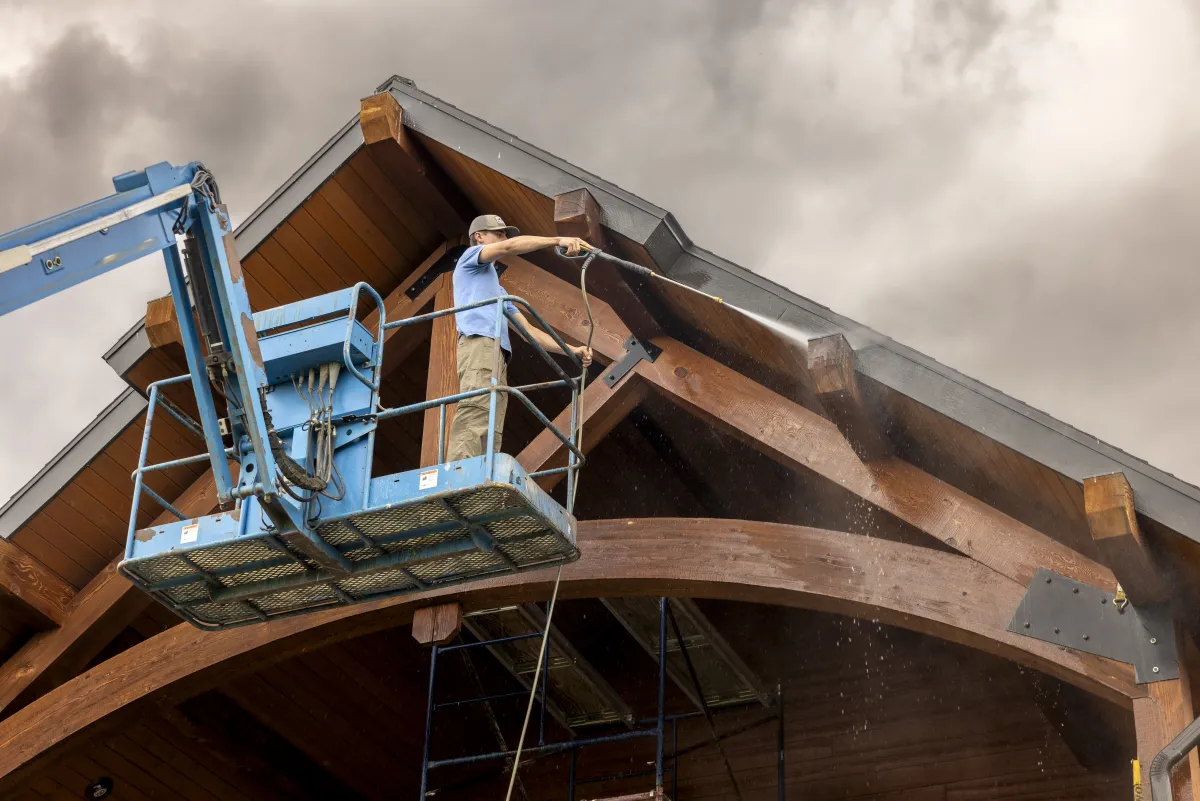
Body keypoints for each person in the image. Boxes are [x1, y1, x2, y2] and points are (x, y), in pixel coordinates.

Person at [444, 214, 594, 462]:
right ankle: (460, 473)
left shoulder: (498, 291)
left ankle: (481, 479)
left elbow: (529, 333)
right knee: (478, 407)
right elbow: (509, 247)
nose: (504, 238)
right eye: (499, 233)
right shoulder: (469, 259)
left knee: (492, 419)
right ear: (479, 237)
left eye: (504, 234)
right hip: (480, 343)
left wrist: (572, 349)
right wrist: (558, 239)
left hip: (496, 355)